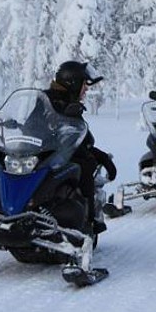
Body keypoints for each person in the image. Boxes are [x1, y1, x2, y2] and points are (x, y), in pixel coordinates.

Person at [44, 61, 117, 235]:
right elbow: (32, 123)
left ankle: (88, 220)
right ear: (73, 83)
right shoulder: (48, 99)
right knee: (85, 163)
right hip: (45, 153)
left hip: (58, 153)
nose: (86, 89)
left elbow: (81, 139)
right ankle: (89, 221)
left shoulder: (68, 101)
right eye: (84, 85)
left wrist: (102, 156)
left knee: (86, 163)